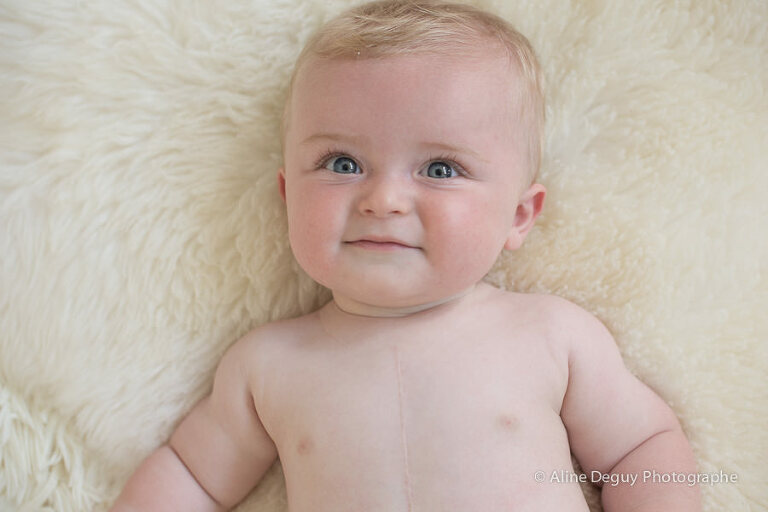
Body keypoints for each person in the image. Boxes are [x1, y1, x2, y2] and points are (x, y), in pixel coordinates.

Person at [111, 1, 701, 510]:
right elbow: (191, 475)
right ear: (289, 195)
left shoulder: (552, 335)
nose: (384, 199)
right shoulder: (267, 365)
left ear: (518, 216)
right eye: (343, 164)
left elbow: (639, 447)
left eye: (440, 169)